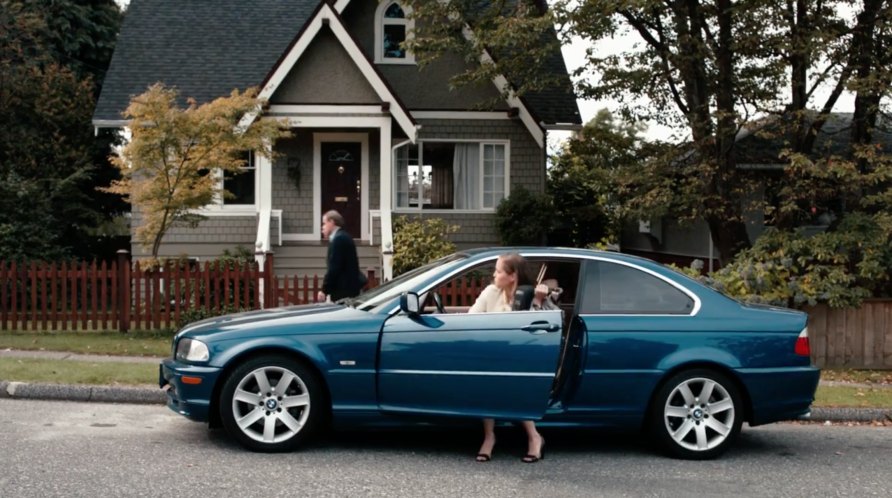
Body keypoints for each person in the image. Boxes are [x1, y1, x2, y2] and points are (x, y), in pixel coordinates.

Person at [468, 253, 547, 463]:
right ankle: (489, 436)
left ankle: (534, 437)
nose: (494, 274)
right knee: (487, 378)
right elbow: (471, 318)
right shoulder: (491, 292)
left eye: (499, 271)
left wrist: (538, 301)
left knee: (517, 381)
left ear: (512, 276)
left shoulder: (528, 295)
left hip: (523, 356)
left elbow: (541, 328)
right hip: (492, 353)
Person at [317, 210, 364, 302]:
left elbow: (334, 268)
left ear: (331, 222)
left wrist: (324, 290)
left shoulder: (339, 239)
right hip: (348, 290)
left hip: (343, 292)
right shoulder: (343, 236)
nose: (322, 227)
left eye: (324, 223)